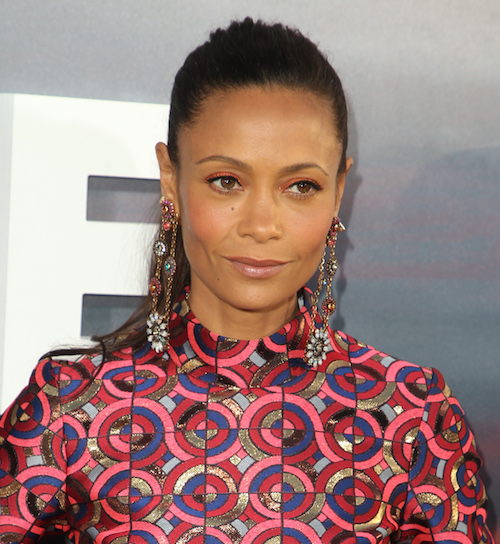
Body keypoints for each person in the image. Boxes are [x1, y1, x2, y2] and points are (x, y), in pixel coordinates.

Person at [0, 17, 493, 544]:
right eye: (226, 181)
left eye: (300, 186)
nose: (261, 225)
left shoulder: (412, 419)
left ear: (339, 190)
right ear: (171, 178)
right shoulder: (70, 410)